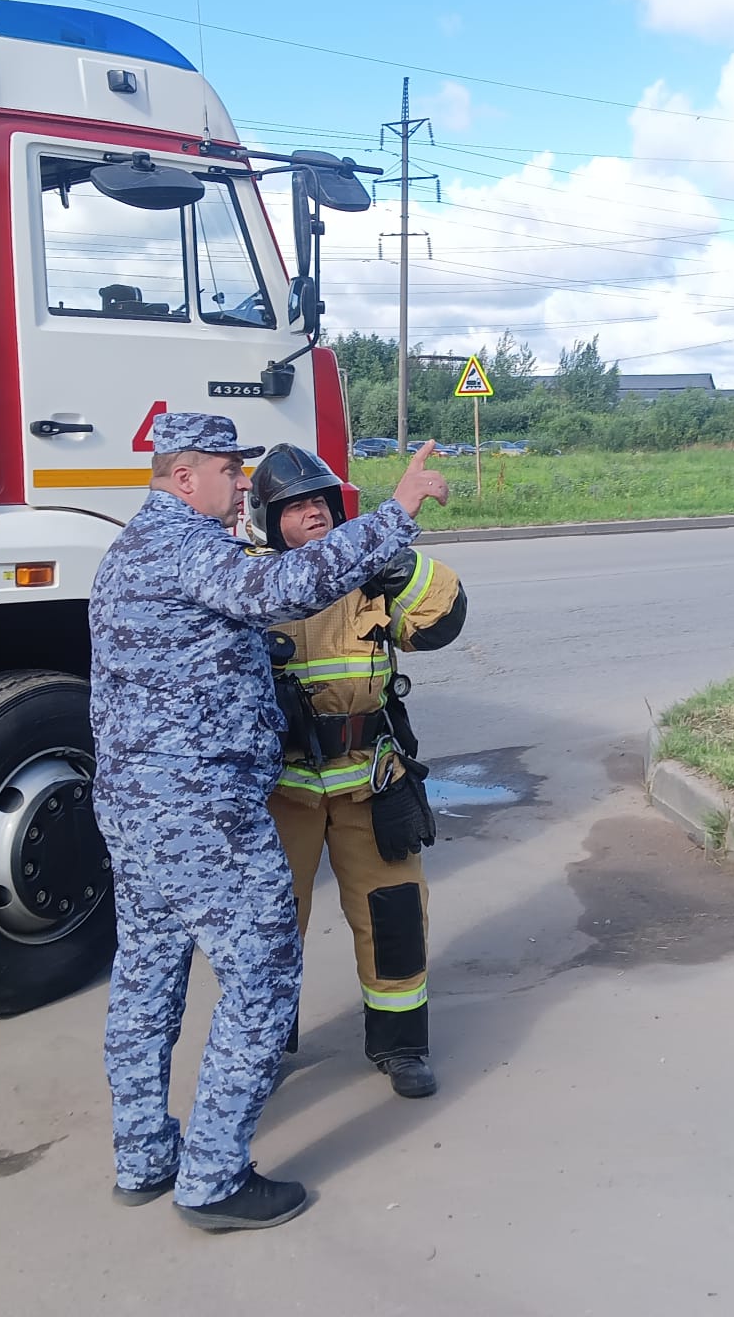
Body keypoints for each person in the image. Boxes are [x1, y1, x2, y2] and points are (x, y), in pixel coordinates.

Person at [88, 414, 448, 1233]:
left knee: (145, 979)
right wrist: (396, 512)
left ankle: (143, 1157)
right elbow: (283, 589)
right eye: (229, 469)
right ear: (186, 478)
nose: (242, 482)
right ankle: (214, 1178)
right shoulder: (188, 548)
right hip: (201, 812)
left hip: (136, 809)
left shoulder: (129, 548)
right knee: (262, 977)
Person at [248, 445, 467, 1101]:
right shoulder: (251, 583)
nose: (314, 511)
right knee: (266, 926)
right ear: (269, 520)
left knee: (394, 914)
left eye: (321, 501)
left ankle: (401, 1045)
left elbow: (444, 621)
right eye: (296, 506)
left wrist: (394, 559)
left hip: (369, 780)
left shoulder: (365, 573)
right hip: (281, 790)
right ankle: (261, 1047)